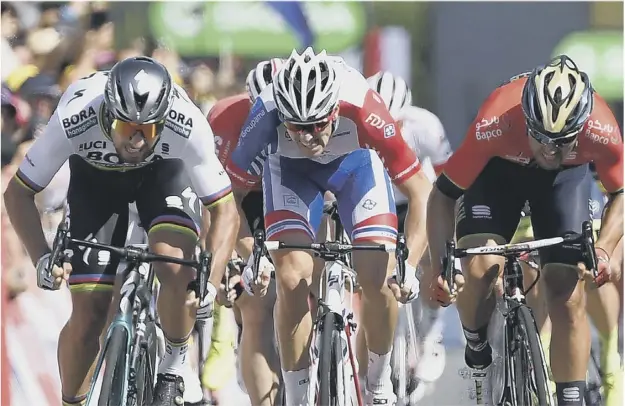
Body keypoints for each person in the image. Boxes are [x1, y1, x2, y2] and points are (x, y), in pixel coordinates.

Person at [3, 56, 239, 406]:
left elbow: (225, 210)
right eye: (127, 129)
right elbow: (18, 193)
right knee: (89, 312)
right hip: (97, 182)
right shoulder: (75, 115)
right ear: (108, 114)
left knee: (175, 264)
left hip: (163, 175)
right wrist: (41, 257)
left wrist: (211, 282)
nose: (137, 141)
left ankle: (173, 369)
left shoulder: (185, 123)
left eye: (148, 130)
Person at [226, 47, 433, 405]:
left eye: (318, 125)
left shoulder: (363, 105)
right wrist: (251, 255)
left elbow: (421, 192)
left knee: (379, 278)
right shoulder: (265, 112)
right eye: (296, 128)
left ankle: (379, 384)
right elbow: (228, 199)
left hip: (356, 169)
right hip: (292, 174)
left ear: (335, 110)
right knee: (291, 277)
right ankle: (298, 395)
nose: (308, 137)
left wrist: (410, 265)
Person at [426, 55, 623, 406]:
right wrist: (445, 265)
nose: (549, 149)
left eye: (561, 140)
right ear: (527, 119)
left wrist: (606, 248)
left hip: (565, 180)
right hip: (498, 173)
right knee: (482, 268)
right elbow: (442, 195)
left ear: (581, 128)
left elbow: (621, 193)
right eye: (542, 138)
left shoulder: (602, 128)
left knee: (567, 290)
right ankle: (477, 348)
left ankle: (570, 398)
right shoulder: (495, 118)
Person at [366, 71, 453, 394]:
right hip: (379, 201)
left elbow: (447, 180)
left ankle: (432, 331)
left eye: (395, 123)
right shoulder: (358, 124)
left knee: (431, 257)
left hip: (420, 198)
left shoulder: (425, 126)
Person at [204, 58, 284, 406]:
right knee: (256, 305)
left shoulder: (312, 117)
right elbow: (220, 207)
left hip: (295, 186)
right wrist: (234, 261)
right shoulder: (225, 119)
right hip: (242, 194)